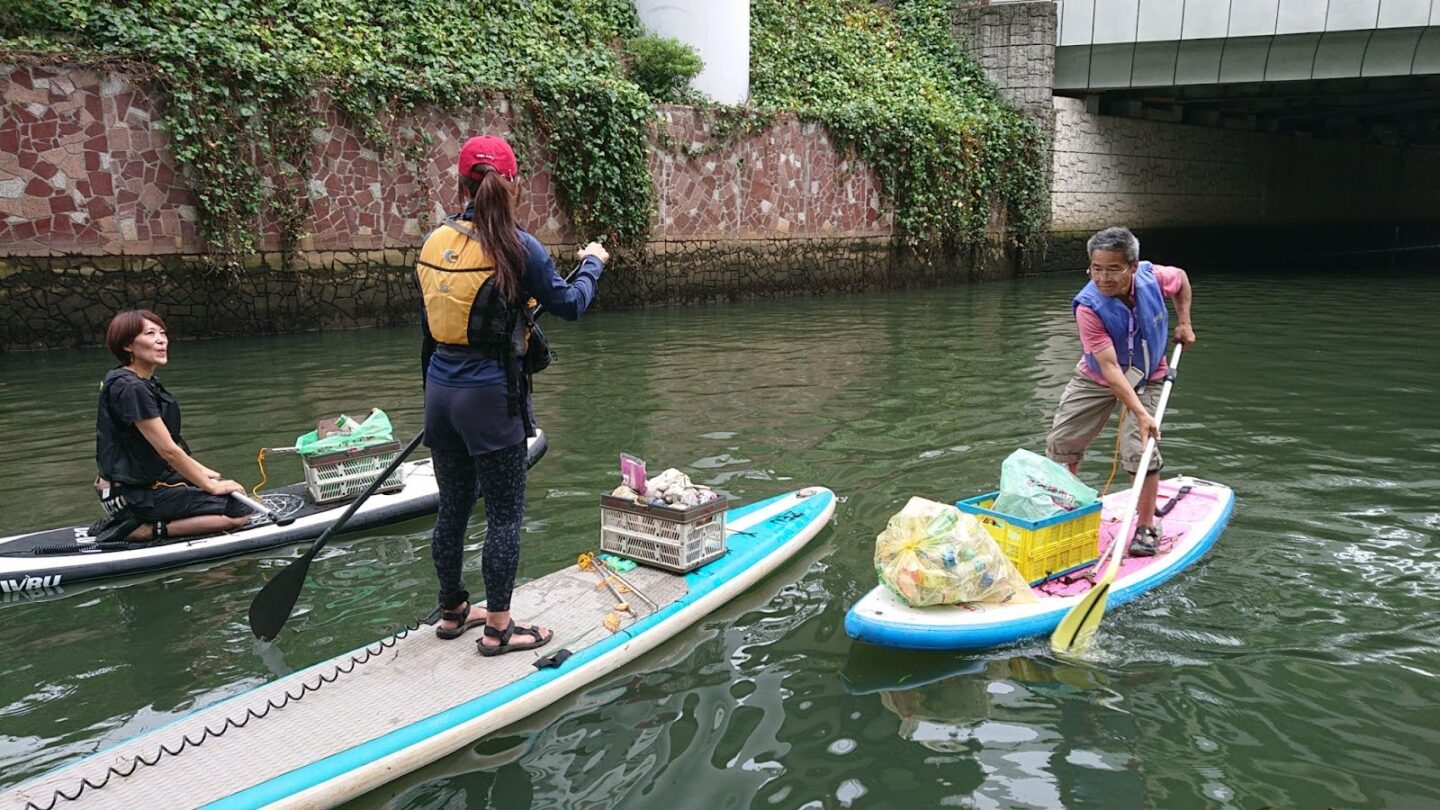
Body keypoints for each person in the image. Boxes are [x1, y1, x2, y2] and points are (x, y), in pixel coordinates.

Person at [418, 134, 608, 654]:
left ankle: (454, 611)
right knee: (504, 516)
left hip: (440, 391)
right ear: (513, 185)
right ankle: (499, 628)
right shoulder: (520, 248)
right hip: (489, 398)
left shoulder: (433, 243)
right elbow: (571, 304)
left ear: (460, 185)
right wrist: (593, 262)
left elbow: (434, 326)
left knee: (452, 508)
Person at [1045, 227, 1195, 556]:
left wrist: (1184, 322)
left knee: (1139, 449)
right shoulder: (1088, 307)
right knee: (1062, 443)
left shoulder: (1154, 277)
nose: (1103, 278)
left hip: (1149, 375)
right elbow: (1111, 369)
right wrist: (1140, 413)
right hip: (1098, 377)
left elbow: (1182, 279)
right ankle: (1062, 515)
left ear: (1132, 266)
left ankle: (1146, 526)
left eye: (1113, 269)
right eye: (1096, 269)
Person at [94, 310, 249, 543]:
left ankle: (144, 519)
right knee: (238, 512)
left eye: (162, 333)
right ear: (127, 345)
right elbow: (168, 450)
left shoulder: (140, 381)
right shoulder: (131, 388)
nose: (161, 340)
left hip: (133, 486)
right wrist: (210, 487)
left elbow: (164, 447)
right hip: (128, 496)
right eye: (150, 334)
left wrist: (206, 474)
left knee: (228, 487)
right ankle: (146, 530)